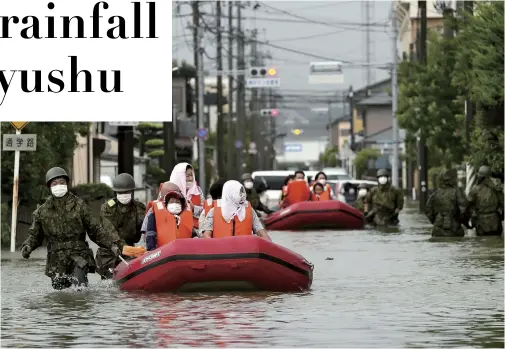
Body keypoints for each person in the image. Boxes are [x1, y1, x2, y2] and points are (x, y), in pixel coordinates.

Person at [20, 167, 122, 290]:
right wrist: (28, 246)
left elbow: (95, 229)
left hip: (78, 255)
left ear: (67, 184)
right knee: (61, 295)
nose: (59, 186)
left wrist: (111, 245)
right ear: (49, 186)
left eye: (62, 183)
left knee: (80, 289)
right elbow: (35, 235)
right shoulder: (42, 211)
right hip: (57, 260)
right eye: (55, 183)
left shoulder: (79, 205)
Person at [95, 173, 146, 279]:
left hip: (130, 249)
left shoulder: (139, 208)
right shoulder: (107, 208)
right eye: (120, 192)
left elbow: (146, 228)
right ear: (116, 192)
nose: (123, 194)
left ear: (132, 191)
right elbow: (110, 231)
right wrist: (124, 248)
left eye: (126, 192)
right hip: (110, 250)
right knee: (108, 283)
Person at [202, 180, 272, 240]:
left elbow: (262, 233)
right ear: (229, 194)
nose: (242, 195)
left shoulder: (250, 211)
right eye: (239, 192)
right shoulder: (213, 212)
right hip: (221, 251)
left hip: (245, 251)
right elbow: (206, 235)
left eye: (242, 192)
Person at [425, 169, 470, 237]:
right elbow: (464, 209)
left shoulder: (435, 193)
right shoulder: (457, 192)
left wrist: (436, 221)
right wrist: (462, 222)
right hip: (454, 229)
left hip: (437, 230)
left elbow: (428, 210)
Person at [467, 165, 504, 237]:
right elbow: (503, 204)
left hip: (481, 223)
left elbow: (468, 205)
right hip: (495, 221)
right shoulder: (497, 188)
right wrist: (501, 217)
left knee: (482, 244)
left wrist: (470, 220)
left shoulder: (475, 189)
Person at [169, 162, 205, 233]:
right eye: (187, 176)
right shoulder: (168, 190)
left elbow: (205, 211)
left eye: (192, 175)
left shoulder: (198, 190)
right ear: (179, 176)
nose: (191, 178)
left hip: (196, 232)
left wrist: (194, 208)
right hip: (174, 230)